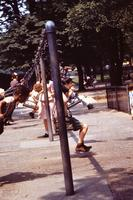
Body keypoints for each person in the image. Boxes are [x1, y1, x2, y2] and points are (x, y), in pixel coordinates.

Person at [61, 78, 92, 152]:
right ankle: (79, 145)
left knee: (83, 126)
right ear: (66, 84)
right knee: (85, 126)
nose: (72, 85)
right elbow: (65, 102)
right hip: (65, 118)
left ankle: (81, 144)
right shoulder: (62, 95)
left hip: (65, 117)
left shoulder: (61, 93)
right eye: (71, 83)